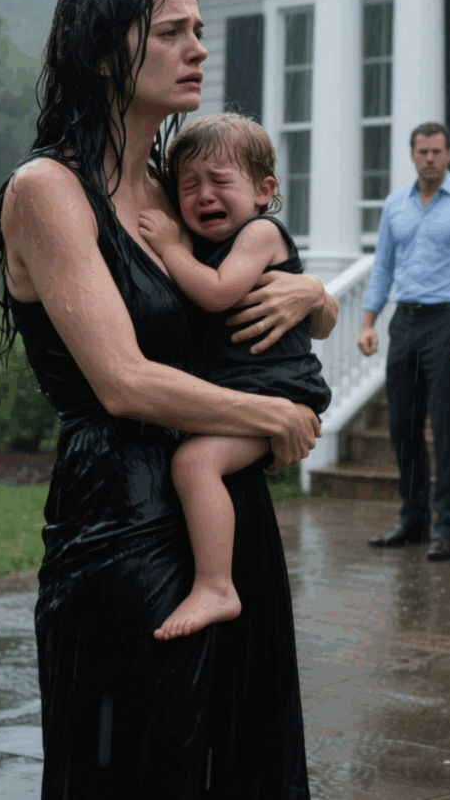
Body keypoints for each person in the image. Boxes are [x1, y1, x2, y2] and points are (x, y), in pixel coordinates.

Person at [0, 0, 337, 800]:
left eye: (201, 31)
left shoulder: (172, 188)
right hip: (122, 514)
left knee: (242, 754)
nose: (199, 49)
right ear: (106, 52)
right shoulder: (48, 189)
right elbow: (123, 380)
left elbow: (238, 292)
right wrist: (268, 414)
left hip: (225, 512)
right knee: (146, 762)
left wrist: (315, 295)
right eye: (173, 31)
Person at [137, 112, 331, 640]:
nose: (204, 195)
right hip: (250, 392)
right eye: (189, 186)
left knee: (196, 461)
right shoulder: (206, 246)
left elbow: (218, 292)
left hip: (278, 393)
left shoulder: (260, 234)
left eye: (220, 181)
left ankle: (216, 586)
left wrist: (170, 248)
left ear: (264, 191)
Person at [357, 122, 450, 562]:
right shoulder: (394, 205)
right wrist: (367, 322)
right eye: (423, 151)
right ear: (412, 154)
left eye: (438, 151)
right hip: (404, 322)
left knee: (446, 427)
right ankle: (413, 521)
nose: (430, 158)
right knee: (402, 426)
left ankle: (446, 528)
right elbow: (383, 266)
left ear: (448, 154)